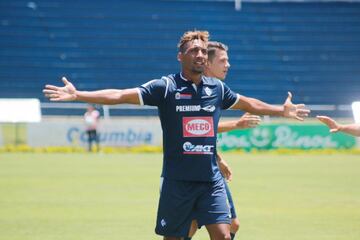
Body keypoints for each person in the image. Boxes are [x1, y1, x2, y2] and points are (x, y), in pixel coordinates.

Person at [43, 30, 310, 240]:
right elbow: (119, 95)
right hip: (177, 181)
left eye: (203, 51)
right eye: (193, 50)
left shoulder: (216, 88)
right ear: (180, 56)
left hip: (210, 180)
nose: (200, 55)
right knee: (174, 237)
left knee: (224, 233)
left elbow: (249, 103)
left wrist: (280, 110)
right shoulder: (165, 87)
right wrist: (79, 95)